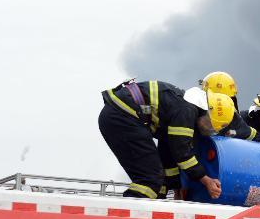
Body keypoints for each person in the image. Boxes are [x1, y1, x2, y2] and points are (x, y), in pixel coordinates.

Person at [98, 79, 233, 200]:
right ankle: (126, 216)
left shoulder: (184, 105)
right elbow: (182, 153)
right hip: (122, 116)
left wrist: (175, 186)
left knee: (159, 184)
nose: (206, 130)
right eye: (209, 125)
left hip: (118, 115)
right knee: (149, 180)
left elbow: (168, 151)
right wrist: (206, 180)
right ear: (207, 111)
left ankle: (150, 215)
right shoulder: (187, 111)